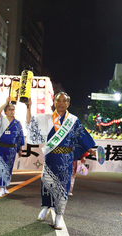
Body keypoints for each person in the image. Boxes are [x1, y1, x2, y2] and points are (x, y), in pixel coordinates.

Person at [26, 92, 95, 229]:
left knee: (63, 187)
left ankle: (59, 215)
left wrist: (91, 150)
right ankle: (46, 207)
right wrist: (29, 106)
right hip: (50, 158)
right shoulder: (46, 118)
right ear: (54, 103)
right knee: (47, 184)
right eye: (58, 100)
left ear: (68, 104)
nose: (61, 103)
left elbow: (82, 138)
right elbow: (30, 122)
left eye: (64, 101)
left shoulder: (73, 120)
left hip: (66, 160)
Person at [0, 97, 24, 197]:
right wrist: (5, 103)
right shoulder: (1, 119)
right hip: (1, 148)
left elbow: (20, 137)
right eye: (10, 109)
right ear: (5, 111)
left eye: (13, 109)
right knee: (1, 167)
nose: (12, 111)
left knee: (9, 168)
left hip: (12, 149)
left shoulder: (17, 123)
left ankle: (5, 186)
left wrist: (20, 149)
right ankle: (1, 188)